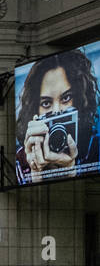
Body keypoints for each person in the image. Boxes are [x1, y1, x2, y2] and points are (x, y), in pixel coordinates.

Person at [14, 47, 100, 184]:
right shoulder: (22, 158)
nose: (56, 111)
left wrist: (72, 172)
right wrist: (35, 174)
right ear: (35, 111)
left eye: (66, 98)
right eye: (46, 103)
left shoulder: (95, 148)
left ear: (79, 100)